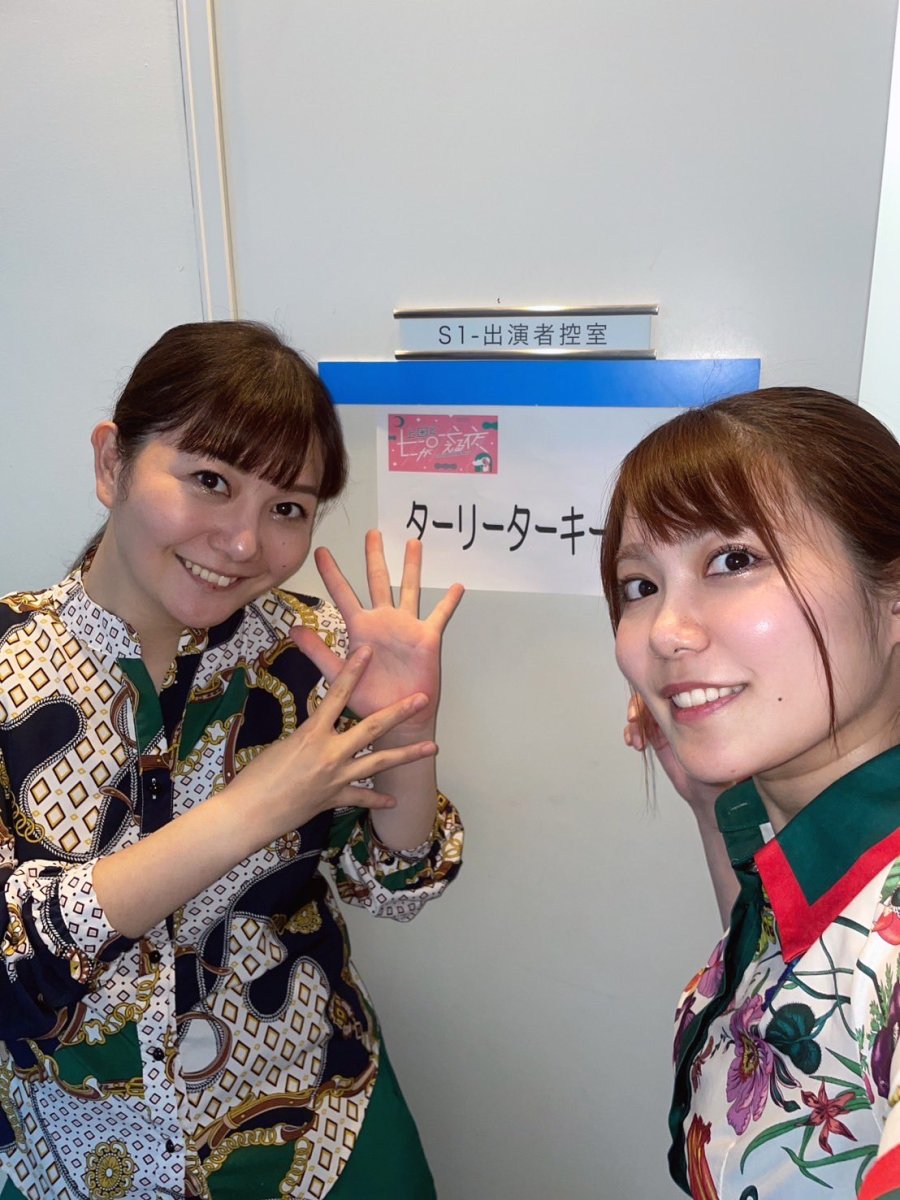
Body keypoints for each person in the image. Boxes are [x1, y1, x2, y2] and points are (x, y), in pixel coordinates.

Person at [0, 321, 464, 1200]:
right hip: (70, 1153)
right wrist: (251, 810)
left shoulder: (314, 650)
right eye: (210, 481)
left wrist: (409, 726)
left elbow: (394, 884)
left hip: (319, 1132)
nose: (245, 542)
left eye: (286, 507)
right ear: (112, 463)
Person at [599, 387, 900, 1200]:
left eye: (733, 560)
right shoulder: (812, 847)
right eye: (639, 585)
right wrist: (711, 809)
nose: (667, 631)